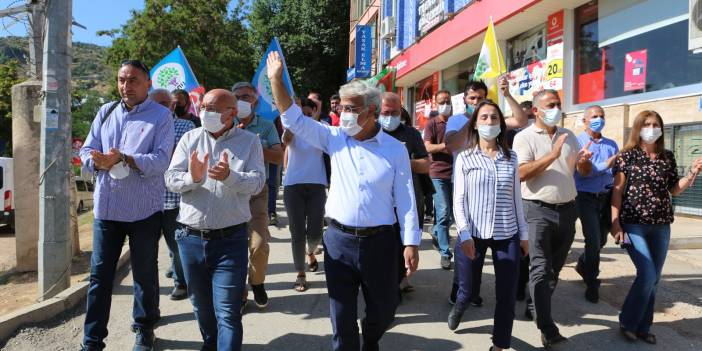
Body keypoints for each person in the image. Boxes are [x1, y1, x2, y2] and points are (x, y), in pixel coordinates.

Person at [268, 51, 420, 351]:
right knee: (341, 315)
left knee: (384, 310)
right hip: (339, 240)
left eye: (353, 108)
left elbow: (405, 198)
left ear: (373, 111)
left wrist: (411, 241)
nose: (345, 114)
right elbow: (293, 118)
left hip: (381, 243)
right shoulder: (334, 138)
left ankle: (371, 338)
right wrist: (276, 79)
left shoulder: (395, 149)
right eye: (344, 108)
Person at [79, 60, 175, 351]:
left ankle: (144, 329)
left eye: (133, 80)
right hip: (107, 209)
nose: (126, 85)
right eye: (122, 79)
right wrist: (97, 161)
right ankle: (92, 341)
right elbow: (85, 150)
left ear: (148, 84)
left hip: (143, 210)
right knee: (99, 277)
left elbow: (161, 161)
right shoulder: (105, 111)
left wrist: (124, 158)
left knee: (144, 274)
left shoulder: (161, 116)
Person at [165, 89, 266, 351]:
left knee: (228, 311)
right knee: (201, 305)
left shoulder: (249, 141)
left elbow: (257, 183)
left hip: (229, 240)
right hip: (190, 239)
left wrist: (230, 176)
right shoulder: (190, 138)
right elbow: (170, 178)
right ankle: (210, 343)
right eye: (204, 107)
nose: (205, 112)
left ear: (232, 112)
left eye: (213, 108)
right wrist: (194, 178)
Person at [611, 110, 702, 345]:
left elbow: (674, 189)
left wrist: (692, 172)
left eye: (656, 124)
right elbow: (618, 191)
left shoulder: (667, 157)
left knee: (654, 278)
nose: (652, 128)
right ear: (638, 128)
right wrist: (615, 221)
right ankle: (628, 321)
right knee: (647, 273)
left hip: (661, 226)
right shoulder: (627, 156)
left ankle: (643, 326)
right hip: (632, 225)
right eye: (647, 124)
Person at [512, 89, 593, 347]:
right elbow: (522, 173)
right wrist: (551, 155)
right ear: (535, 110)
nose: (556, 108)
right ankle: (547, 327)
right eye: (551, 104)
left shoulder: (569, 135)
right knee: (539, 268)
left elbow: (580, 171)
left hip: (568, 210)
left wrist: (584, 163)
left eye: (558, 104)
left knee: (554, 270)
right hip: (537, 211)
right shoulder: (524, 137)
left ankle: (536, 306)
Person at [447, 100, 529, 351]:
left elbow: (516, 198)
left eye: (494, 118)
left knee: (506, 294)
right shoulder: (464, 158)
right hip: (473, 234)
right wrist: (464, 234)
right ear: (475, 124)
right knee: (469, 287)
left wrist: (523, 233)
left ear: (501, 125)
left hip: (508, 234)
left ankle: (499, 344)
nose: (489, 122)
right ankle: (461, 303)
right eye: (484, 118)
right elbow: (458, 200)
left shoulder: (511, 157)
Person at [231, 81, 284, 310]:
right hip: (229, 191)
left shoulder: (266, 126)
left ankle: (257, 282)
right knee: (234, 245)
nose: (243, 100)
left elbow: (277, 157)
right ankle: (240, 292)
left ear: (255, 100)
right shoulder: (224, 124)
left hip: (256, 191)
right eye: (238, 97)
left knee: (259, 243)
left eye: (247, 96)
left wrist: (251, 144)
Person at [379, 92, 430, 295]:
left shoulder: (411, 134)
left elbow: (426, 164)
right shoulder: (370, 133)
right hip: (380, 201)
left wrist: (402, 163)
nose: (390, 117)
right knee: (384, 245)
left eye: (395, 112)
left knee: (404, 240)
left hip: (407, 198)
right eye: (386, 112)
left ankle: (401, 278)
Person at [148, 89, 196, 301]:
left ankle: (181, 283)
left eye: (164, 103)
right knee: (146, 253)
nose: (161, 106)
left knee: (176, 245)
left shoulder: (186, 127)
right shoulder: (142, 127)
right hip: (146, 200)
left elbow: (184, 162)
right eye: (155, 102)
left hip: (172, 199)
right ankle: (149, 298)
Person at [573, 105, 619, 303]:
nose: (598, 119)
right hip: (584, 196)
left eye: (601, 116)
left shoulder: (611, 144)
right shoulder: (577, 142)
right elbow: (582, 171)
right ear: (585, 121)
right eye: (594, 116)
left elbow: (617, 171)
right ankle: (592, 281)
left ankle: (583, 263)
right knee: (592, 239)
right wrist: (605, 164)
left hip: (606, 197)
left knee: (601, 240)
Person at [281, 98, 328, 292]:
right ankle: (300, 273)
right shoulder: (292, 127)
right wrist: (296, 119)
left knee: (316, 229)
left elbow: (326, 143)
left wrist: (313, 121)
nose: (306, 118)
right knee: (297, 231)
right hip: (293, 185)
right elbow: (286, 140)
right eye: (303, 114)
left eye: (309, 114)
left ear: (316, 112)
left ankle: (311, 251)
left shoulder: (322, 127)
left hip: (317, 184)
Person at [423, 90, 456, 270]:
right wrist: (446, 146)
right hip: (437, 173)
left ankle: (435, 230)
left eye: (448, 100)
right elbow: (427, 146)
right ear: (436, 104)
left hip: (457, 174)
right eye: (442, 101)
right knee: (443, 213)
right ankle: (445, 253)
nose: (445, 103)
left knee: (452, 215)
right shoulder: (432, 124)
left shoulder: (457, 122)